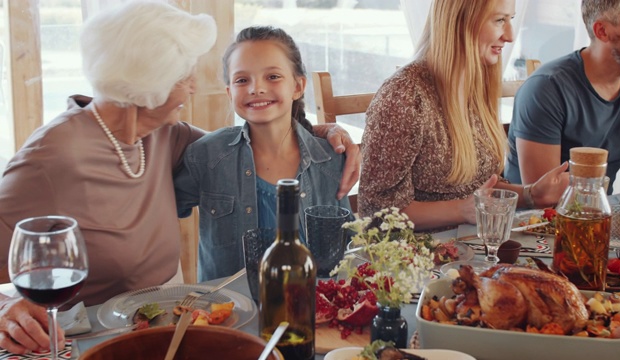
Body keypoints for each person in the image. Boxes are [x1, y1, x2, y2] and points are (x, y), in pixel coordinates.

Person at [0, 2, 359, 355]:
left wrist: (321, 133)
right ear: (147, 80)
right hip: (81, 339)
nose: (192, 87)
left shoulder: (163, 135)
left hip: (169, 331)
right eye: (182, 75)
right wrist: (4, 307)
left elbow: (253, 146)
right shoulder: (53, 155)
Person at [359, 0, 569, 232]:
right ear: (460, 22)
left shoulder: (476, 83)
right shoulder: (404, 95)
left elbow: (481, 187)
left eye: (511, 19)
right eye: (500, 20)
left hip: (474, 243)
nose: (509, 36)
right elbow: (376, 212)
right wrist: (461, 210)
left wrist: (531, 195)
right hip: (420, 256)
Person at [174, 26, 353, 282]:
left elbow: (347, 250)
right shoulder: (206, 156)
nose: (256, 88)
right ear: (229, 93)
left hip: (315, 309)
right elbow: (161, 211)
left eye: (272, 77)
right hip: (231, 313)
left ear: (298, 86)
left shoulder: (332, 159)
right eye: (242, 80)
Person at [504, 0, 620, 194]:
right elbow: (544, 200)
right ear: (602, 31)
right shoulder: (546, 88)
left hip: (600, 213)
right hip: (539, 219)